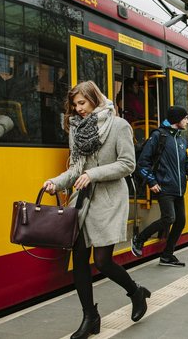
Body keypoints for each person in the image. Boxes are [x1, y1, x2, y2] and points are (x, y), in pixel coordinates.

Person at [42, 81, 150, 339]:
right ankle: (90, 316)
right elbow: (75, 169)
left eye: (82, 103)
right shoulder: (76, 129)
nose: (78, 109)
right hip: (82, 201)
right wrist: (55, 183)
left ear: (94, 98)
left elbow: (127, 164)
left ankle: (136, 293)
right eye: (75, 105)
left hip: (109, 199)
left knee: (102, 261)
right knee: (79, 259)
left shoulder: (118, 126)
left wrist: (93, 174)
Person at [132, 105, 188, 266]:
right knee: (169, 218)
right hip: (164, 186)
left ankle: (167, 255)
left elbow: (185, 162)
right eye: (185, 118)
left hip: (178, 188)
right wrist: (152, 182)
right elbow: (142, 163)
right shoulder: (159, 136)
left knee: (180, 222)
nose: (187, 121)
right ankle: (139, 239)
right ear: (177, 120)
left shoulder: (180, 139)